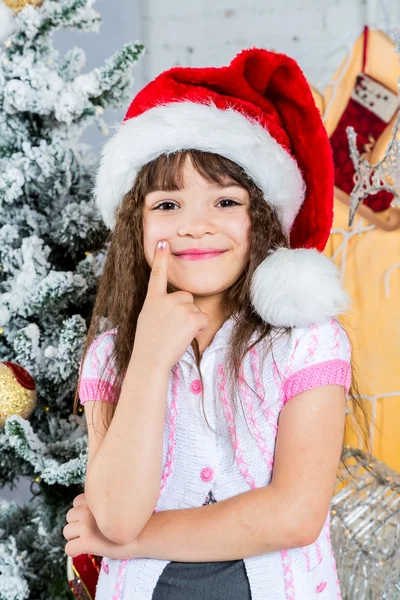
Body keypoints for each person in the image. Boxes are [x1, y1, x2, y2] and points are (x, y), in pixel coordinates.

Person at [64, 48, 369, 600]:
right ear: (136, 223)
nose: (197, 226)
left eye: (225, 201)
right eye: (168, 205)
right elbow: (115, 513)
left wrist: (131, 543)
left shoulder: (306, 343)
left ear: (262, 222)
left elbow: (294, 514)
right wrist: (152, 359)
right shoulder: (115, 354)